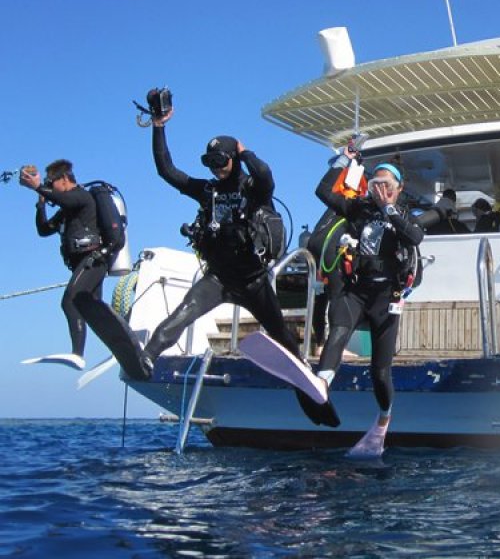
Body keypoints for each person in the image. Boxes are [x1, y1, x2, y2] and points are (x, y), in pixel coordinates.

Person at [127, 107, 306, 391]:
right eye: (209, 162)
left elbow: (265, 173)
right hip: (218, 278)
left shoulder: (254, 189)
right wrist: (158, 127)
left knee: (279, 331)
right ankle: (146, 358)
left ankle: (302, 373)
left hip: (253, 281)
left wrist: (245, 153)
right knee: (181, 314)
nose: (215, 168)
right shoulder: (207, 191)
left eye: (220, 161)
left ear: (233, 158)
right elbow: (166, 170)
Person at [315, 148, 424, 457]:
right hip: (358, 290)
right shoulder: (359, 209)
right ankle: (322, 383)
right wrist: (344, 160)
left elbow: (415, 237)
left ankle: (384, 417)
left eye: (386, 185)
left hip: (387, 297)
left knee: (379, 372)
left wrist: (389, 209)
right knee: (338, 330)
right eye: (375, 184)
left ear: (399, 189)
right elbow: (323, 192)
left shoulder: (403, 215)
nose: (380, 190)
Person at [20, 161, 144, 370]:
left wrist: (38, 186)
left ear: (64, 179)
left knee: (71, 300)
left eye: (51, 182)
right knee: (95, 311)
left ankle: (77, 354)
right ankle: (131, 344)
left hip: (94, 260)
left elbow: (65, 200)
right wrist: (40, 203)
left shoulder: (81, 197)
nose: (50, 187)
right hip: (82, 263)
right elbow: (44, 229)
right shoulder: (67, 211)